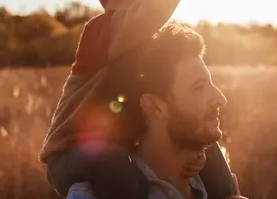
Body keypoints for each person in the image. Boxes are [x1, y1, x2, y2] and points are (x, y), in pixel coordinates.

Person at [38, 0, 237, 199]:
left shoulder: (142, 45)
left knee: (202, 136)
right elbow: (155, 7)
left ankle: (228, 196)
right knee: (117, 169)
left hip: (117, 148)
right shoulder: (102, 33)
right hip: (72, 155)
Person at [66, 24, 247, 199]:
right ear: (155, 107)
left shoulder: (219, 186)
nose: (220, 99)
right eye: (198, 87)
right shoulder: (90, 196)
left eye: (211, 84)